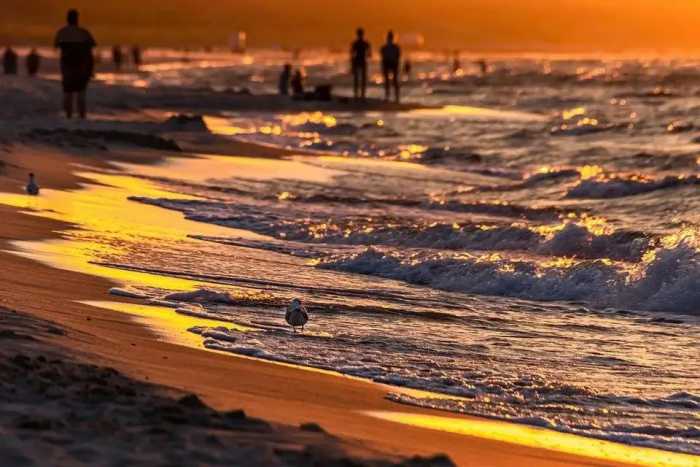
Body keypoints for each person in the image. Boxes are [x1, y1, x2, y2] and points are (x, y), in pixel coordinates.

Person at [54, 9, 96, 119]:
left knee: (68, 94)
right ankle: (82, 119)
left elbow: (56, 46)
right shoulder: (84, 33)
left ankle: (69, 118)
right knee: (81, 94)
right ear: (77, 19)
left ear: (67, 19)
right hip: (81, 68)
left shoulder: (61, 32)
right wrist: (91, 69)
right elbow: (90, 51)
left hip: (67, 68)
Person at [350, 28, 371, 100]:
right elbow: (369, 54)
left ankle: (358, 96)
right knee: (361, 79)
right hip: (361, 61)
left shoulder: (355, 43)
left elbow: (352, 54)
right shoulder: (365, 43)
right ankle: (361, 96)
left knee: (358, 79)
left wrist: (352, 64)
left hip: (358, 61)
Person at [380, 31, 401, 103]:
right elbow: (383, 58)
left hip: (392, 64)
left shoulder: (393, 47)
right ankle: (389, 97)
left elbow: (398, 57)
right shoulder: (385, 47)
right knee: (388, 82)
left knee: (393, 81)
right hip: (388, 64)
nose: (389, 39)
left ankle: (395, 98)